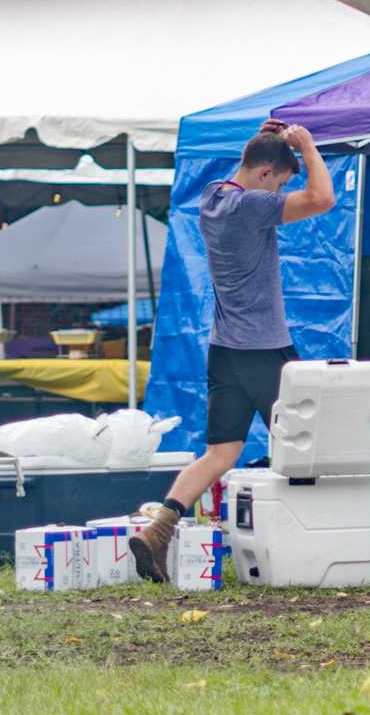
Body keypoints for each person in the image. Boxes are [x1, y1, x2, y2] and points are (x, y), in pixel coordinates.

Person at [131, 120, 336, 581]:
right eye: (282, 182)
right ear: (266, 175)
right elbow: (324, 198)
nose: (283, 190)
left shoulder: (212, 197)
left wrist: (262, 144)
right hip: (265, 349)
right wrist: (305, 147)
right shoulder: (250, 208)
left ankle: (159, 528)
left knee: (221, 453)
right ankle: (310, 545)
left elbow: (251, 166)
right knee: (308, 447)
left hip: (224, 350)